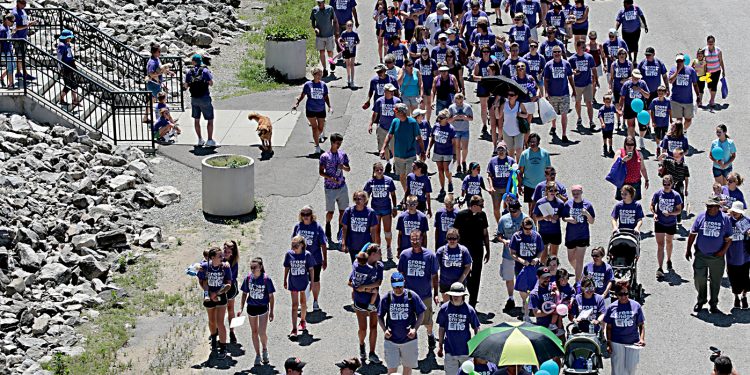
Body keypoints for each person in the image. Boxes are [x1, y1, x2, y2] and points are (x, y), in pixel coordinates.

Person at [686, 196, 733, 313]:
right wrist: (688, 249)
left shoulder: (724, 219)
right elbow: (692, 234)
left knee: (715, 281)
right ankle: (701, 300)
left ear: (717, 207)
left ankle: (713, 303)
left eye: (711, 206)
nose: (708, 208)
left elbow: (729, 238)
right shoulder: (701, 217)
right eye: (707, 206)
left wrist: (723, 251)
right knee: (699, 278)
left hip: (717, 257)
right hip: (701, 255)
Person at [378, 272, 427, 375]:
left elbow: (421, 313)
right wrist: (384, 330)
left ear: (404, 283)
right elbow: (379, 315)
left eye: (400, 286)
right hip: (391, 341)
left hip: (409, 341)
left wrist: (415, 329)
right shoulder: (387, 298)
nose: (398, 289)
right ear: (392, 285)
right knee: (391, 371)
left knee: (407, 369)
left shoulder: (411, 296)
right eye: (395, 286)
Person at [453, 195, 491, 307]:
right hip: (464, 249)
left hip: (478, 248)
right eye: (481, 206)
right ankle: (467, 293)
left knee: (477, 274)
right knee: (466, 273)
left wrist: (488, 250)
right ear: (474, 206)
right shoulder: (461, 215)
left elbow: (485, 233)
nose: (483, 208)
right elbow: (456, 233)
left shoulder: (482, 215)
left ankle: (473, 301)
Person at [238, 257, 275, 366]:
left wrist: (272, 311)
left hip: (263, 307)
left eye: (255, 268)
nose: (253, 270)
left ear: (261, 267)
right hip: (251, 307)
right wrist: (241, 308)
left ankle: (264, 349)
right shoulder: (248, 278)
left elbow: (271, 297)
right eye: (251, 268)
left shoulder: (266, 279)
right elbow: (244, 293)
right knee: (254, 332)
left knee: (261, 332)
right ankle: (257, 354)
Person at [437, 282, 480, 375]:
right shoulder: (444, 308)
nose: (455, 297)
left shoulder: (469, 310)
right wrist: (440, 345)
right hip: (450, 351)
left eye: (458, 295)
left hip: (466, 352)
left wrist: (477, 345)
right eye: (453, 295)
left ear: (463, 296)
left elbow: (477, 327)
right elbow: (441, 328)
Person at [604, 280, 646, 375]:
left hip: (633, 342)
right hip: (617, 342)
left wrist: (642, 339)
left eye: (626, 293)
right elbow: (609, 327)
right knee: (617, 369)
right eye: (620, 294)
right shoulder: (611, 308)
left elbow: (641, 325)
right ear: (616, 295)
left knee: (631, 369)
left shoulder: (636, 306)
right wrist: (609, 343)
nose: (623, 296)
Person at [350, 247, 384, 363]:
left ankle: (372, 353)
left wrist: (364, 288)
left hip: (374, 301)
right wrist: (367, 290)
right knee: (363, 329)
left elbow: (378, 282)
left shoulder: (379, 266)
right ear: (373, 254)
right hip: (360, 301)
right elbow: (350, 282)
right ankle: (361, 344)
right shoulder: (358, 265)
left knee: (374, 327)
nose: (381, 255)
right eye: (380, 253)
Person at [198, 247, 232, 359]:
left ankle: (223, 347)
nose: (222, 258)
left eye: (222, 256)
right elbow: (201, 281)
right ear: (212, 257)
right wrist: (207, 292)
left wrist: (216, 294)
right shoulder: (205, 267)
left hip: (221, 296)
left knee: (220, 322)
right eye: (219, 256)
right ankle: (213, 339)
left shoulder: (225, 267)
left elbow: (228, 284)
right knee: (212, 321)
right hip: (209, 296)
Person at [382, 103, 426, 192]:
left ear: (401, 112)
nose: (394, 112)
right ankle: (407, 194)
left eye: (395, 111)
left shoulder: (413, 123)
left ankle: (412, 194)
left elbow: (419, 138)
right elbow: (389, 135)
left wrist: (423, 151)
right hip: (398, 155)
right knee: (402, 176)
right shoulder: (395, 121)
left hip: (410, 155)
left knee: (411, 177)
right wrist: (383, 148)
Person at [292, 206, 329, 310]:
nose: (305, 217)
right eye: (303, 214)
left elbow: (323, 244)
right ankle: (302, 302)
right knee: (303, 281)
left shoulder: (317, 227)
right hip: (301, 259)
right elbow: (293, 243)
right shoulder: (298, 226)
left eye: (307, 214)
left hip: (315, 259)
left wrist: (324, 259)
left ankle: (315, 301)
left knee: (315, 280)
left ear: (312, 215)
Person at [511, 217, 546, 321]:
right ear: (522, 227)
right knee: (523, 290)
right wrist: (522, 261)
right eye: (526, 229)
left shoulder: (537, 236)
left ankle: (530, 306)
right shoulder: (516, 236)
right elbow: (512, 253)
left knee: (534, 289)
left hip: (534, 268)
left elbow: (540, 250)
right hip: (521, 267)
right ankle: (525, 305)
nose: (528, 231)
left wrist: (537, 258)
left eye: (530, 228)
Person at [319, 133, 350, 243]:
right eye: (337, 143)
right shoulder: (325, 157)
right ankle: (327, 226)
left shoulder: (342, 154)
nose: (339, 145)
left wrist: (343, 167)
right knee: (331, 212)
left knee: (343, 211)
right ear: (332, 143)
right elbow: (321, 172)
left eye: (340, 143)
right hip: (330, 188)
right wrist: (331, 178)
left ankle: (340, 232)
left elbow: (348, 168)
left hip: (342, 187)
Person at [364, 162, 399, 260]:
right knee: (376, 232)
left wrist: (395, 207)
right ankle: (378, 251)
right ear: (374, 171)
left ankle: (388, 248)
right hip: (375, 210)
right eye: (377, 170)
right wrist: (365, 210)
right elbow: (366, 196)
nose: (379, 172)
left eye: (381, 169)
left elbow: (393, 195)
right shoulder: (371, 182)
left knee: (387, 231)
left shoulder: (389, 181)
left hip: (386, 209)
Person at [651, 175, 683, 279]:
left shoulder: (676, 195)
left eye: (668, 184)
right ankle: (660, 268)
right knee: (660, 245)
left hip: (671, 223)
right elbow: (652, 205)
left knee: (669, 242)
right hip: (659, 222)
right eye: (664, 184)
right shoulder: (658, 194)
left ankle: (668, 259)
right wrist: (654, 213)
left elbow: (679, 210)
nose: (666, 186)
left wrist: (671, 213)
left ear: (672, 184)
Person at [295, 67, 333, 154]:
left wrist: (329, 106)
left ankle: (317, 135)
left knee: (320, 128)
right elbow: (302, 95)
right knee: (314, 128)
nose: (320, 76)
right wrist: (297, 103)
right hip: (310, 109)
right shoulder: (308, 85)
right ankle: (317, 146)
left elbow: (326, 97)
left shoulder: (323, 85)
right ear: (314, 75)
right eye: (318, 74)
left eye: (321, 74)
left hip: (321, 109)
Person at [561, 184, 595, 281]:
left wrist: (586, 213)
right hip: (570, 235)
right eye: (574, 193)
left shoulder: (587, 205)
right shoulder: (568, 204)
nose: (576, 195)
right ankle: (582, 274)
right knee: (571, 259)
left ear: (581, 193)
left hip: (583, 235)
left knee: (579, 260)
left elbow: (592, 221)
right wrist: (569, 219)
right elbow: (563, 217)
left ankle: (578, 283)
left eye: (577, 193)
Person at [284, 236, 315, 338]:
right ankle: (294, 329)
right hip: (293, 282)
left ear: (302, 245)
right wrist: (284, 279)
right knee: (294, 305)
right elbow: (287, 267)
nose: (293, 247)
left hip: (304, 283)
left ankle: (302, 320)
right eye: (292, 245)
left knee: (303, 303)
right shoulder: (289, 254)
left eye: (296, 245)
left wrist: (312, 282)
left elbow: (311, 269)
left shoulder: (307, 255)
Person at [183, 54, 216, 147]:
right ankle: (209, 140)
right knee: (210, 120)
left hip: (194, 98)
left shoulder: (189, 72)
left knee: (196, 120)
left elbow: (185, 85)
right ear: (200, 61)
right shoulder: (205, 71)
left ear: (193, 62)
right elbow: (211, 83)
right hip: (204, 97)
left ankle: (200, 139)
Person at [543, 45, 575, 142]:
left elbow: (570, 77)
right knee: (554, 113)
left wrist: (573, 89)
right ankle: (553, 126)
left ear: (561, 53)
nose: (557, 54)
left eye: (558, 52)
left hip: (564, 93)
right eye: (555, 52)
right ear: (552, 54)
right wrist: (546, 92)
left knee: (564, 113)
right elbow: (546, 80)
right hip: (553, 94)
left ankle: (564, 134)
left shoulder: (566, 64)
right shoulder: (548, 65)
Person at [342, 191, 380, 263]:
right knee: (355, 264)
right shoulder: (349, 211)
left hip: (365, 245)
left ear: (365, 199)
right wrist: (344, 243)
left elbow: (373, 230)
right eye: (355, 199)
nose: (357, 201)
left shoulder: (370, 212)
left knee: (365, 265)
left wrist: (373, 244)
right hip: (352, 245)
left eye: (359, 199)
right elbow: (344, 228)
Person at [370, 83, 402, 169]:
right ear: (385, 91)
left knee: (394, 147)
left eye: (393, 91)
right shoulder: (379, 101)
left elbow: (400, 115)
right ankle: (388, 162)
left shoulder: (397, 101)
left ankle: (395, 162)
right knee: (385, 147)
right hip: (382, 128)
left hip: (394, 129)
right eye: (390, 91)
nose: (392, 93)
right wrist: (370, 124)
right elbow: (375, 114)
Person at [518, 133, 551, 213]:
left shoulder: (545, 154)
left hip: (542, 186)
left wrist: (549, 185)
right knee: (531, 210)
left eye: (534, 142)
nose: (532, 144)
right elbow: (520, 171)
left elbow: (548, 171)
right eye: (531, 142)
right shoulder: (524, 154)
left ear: (538, 142)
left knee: (544, 209)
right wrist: (519, 185)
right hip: (529, 185)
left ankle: (542, 225)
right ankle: (533, 225)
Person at [436, 228, 473, 299]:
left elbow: (468, 266)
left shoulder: (463, 250)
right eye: (449, 238)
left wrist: (460, 281)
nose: (452, 240)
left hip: (459, 283)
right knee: (446, 305)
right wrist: (437, 278)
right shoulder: (441, 251)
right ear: (446, 239)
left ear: (458, 238)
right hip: (445, 282)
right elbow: (435, 266)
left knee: (458, 305)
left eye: (454, 238)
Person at [569, 40, 597, 129]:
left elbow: (593, 68)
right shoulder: (572, 59)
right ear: (577, 47)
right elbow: (569, 71)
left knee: (589, 103)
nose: (584, 48)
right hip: (577, 84)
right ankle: (579, 117)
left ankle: (591, 121)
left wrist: (596, 80)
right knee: (578, 102)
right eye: (582, 47)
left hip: (587, 83)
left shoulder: (589, 57)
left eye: (584, 47)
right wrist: (574, 72)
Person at [726, 202, 750, 310]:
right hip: (732, 255)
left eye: (737, 212)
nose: (735, 214)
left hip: (745, 256)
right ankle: (736, 296)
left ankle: (744, 296)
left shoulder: (747, 221)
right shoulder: (727, 221)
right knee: (733, 279)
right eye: (734, 211)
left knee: (745, 279)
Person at [428, 109, 458, 194]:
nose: (439, 119)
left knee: (446, 170)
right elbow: (432, 139)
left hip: (447, 152)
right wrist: (429, 150)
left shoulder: (451, 129)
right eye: (439, 117)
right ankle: (442, 188)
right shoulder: (436, 126)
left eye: (441, 117)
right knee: (440, 170)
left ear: (446, 118)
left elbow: (454, 143)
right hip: (437, 151)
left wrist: (455, 154)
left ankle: (450, 181)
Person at [668, 53, 699, 131]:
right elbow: (671, 81)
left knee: (688, 120)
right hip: (676, 100)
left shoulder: (691, 70)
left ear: (684, 61)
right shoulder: (673, 70)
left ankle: (684, 131)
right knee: (679, 120)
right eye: (678, 61)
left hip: (688, 100)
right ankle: (680, 133)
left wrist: (698, 96)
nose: (679, 63)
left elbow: (695, 84)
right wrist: (678, 71)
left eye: (681, 61)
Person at [618, 69, 650, 141]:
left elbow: (647, 96)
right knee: (631, 126)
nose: (637, 79)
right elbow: (622, 97)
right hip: (629, 107)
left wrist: (640, 90)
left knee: (643, 126)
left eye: (638, 78)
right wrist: (620, 108)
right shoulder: (626, 84)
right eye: (635, 77)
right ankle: (632, 141)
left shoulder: (642, 83)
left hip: (640, 107)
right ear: (632, 76)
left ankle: (641, 139)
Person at [487, 143, 516, 222]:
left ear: (506, 150)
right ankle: (500, 225)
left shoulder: (511, 160)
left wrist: (515, 189)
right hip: (496, 188)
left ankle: (510, 224)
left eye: (502, 149)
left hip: (508, 188)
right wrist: (491, 186)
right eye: (498, 149)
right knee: (496, 209)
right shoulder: (492, 161)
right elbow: (489, 175)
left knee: (510, 207)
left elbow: (515, 175)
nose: (500, 151)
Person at [497, 89, 528, 161]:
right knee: (510, 152)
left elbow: (526, 115)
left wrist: (520, 114)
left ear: (516, 96)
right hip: (507, 131)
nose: (509, 96)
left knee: (519, 150)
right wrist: (496, 107)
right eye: (508, 95)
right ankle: (513, 168)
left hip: (518, 131)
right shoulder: (504, 104)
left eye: (511, 95)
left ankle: (519, 169)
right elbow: (498, 116)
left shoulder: (520, 104)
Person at [616, 136, 649, 201]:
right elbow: (615, 166)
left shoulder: (639, 154)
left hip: (635, 183)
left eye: (632, 144)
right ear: (625, 145)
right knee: (623, 204)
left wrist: (646, 180)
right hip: (623, 183)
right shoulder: (620, 152)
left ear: (635, 145)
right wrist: (623, 160)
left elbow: (642, 168)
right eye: (628, 144)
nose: (630, 146)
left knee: (634, 204)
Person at [11, 0, 37, 82]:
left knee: (21, 56)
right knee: (20, 56)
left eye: (25, 3)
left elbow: (24, 22)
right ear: (18, 2)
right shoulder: (14, 13)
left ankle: (18, 73)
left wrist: (30, 23)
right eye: (23, 3)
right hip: (18, 38)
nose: (25, 5)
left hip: (23, 37)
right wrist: (27, 26)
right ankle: (24, 74)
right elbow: (15, 28)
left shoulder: (22, 10)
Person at [448, 93, 474, 174]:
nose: (459, 104)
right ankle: (458, 165)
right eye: (457, 102)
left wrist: (465, 118)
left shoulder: (467, 107)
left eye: (461, 102)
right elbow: (448, 120)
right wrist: (454, 118)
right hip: (455, 130)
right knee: (457, 148)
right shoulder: (451, 107)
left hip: (465, 130)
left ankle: (464, 161)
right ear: (455, 100)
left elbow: (471, 118)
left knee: (465, 148)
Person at [311, 0, 339, 76]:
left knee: (330, 52)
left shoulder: (330, 9)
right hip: (320, 36)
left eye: (321, 2)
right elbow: (313, 21)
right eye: (318, 3)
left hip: (329, 34)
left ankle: (331, 61)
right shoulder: (314, 10)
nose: (319, 4)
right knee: (322, 52)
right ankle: (325, 69)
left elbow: (335, 20)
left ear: (324, 2)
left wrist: (336, 31)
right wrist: (315, 28)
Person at [608, 48, 632, 131]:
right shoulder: (614, 64)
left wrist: (626, 80)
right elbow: (611, 77)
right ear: (618, 55)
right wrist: (610, 88)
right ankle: (618, 122)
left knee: (625, 106)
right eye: (620, 54)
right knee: (617, 106)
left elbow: (632, 77)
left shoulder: (629, 64)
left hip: (626, 89)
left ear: (626, 55)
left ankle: (624, 123)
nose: (622, 55)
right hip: (617, 88)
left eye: (623, 54)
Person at [221, 241, 240, 344]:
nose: (226, 253)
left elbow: (230, 278)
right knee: (220, 309)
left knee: (231, 309)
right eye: (225, 250)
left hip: (231, 287)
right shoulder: (220, 259)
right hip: (220, 286)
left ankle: (232, 331)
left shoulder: (234, 263)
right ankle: (218, 331)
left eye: (228, 251)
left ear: (232, 253)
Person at [56, 30, 81, 109]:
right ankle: (62, 99)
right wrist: (60, 68)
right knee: (68, 84)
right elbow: (59, 57)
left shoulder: (67, 45)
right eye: (69, 37)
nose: (70, 39)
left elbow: (70, 55)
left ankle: (74, 100)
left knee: (73, 84)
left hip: (70, 66)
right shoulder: (61, 45)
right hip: (65, 67)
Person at [414, 47, 438, 121]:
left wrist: (435, 85)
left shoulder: (432, 61)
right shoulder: (417, 62)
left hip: (430, 84)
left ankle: (427, 120)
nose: (424, 56)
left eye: (426, 55)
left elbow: (435, 74)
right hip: (421, 85)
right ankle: (422, 120)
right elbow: (416, 74)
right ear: (421, 54)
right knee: (422, 103)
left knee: (429, 103)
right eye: (423, 55)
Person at [704, 35, 726, 109]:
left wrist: (723, 70)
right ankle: (712, 97)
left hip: (717, 71)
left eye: (712, 42)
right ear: (707, 42)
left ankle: (712, 100)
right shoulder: (704, 50)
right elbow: (701, 60)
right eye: (709, 42)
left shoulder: (718, 50)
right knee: (709, 86)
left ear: (714, 42)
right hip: (708, 72)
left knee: (714, 85)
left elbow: (721, 60)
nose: (711, 43)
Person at [649, 85, 671, 155]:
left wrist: (671, 119)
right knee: (657, 136)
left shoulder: (667, 101)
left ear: (665, 93)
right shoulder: (654, 101)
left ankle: (664, 149)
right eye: (659, 93)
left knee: (665, 136)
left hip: (665, 122)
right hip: (657, 122)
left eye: (662, 93)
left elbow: (669, 110)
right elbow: (652, 111)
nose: (660, 94)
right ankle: (658, 147)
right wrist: (653, 121)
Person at [340, 21, 361, 88]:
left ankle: (352, 80)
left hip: (352, 51)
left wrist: (354, 44)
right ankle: (348, 79)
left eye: (351, 25)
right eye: (348, 25)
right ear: (346, 26)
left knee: (352, 65)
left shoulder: (354, 34)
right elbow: (340, 42)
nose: (349, 27)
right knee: (347, 65)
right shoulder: (343, 33)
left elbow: (358, 41)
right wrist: (344, 43)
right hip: (346, 51)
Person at [0, 14, 16, 89]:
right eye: (11, 21)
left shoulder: (7, 27)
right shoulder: (2, 29)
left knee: (13, 66)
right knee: (10, 67)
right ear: (6, 20)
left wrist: (13, 32)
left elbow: (8, 38)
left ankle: (1, 77)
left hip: (9, 50)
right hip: (5, 51)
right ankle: (11, 84)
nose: (12, 23)